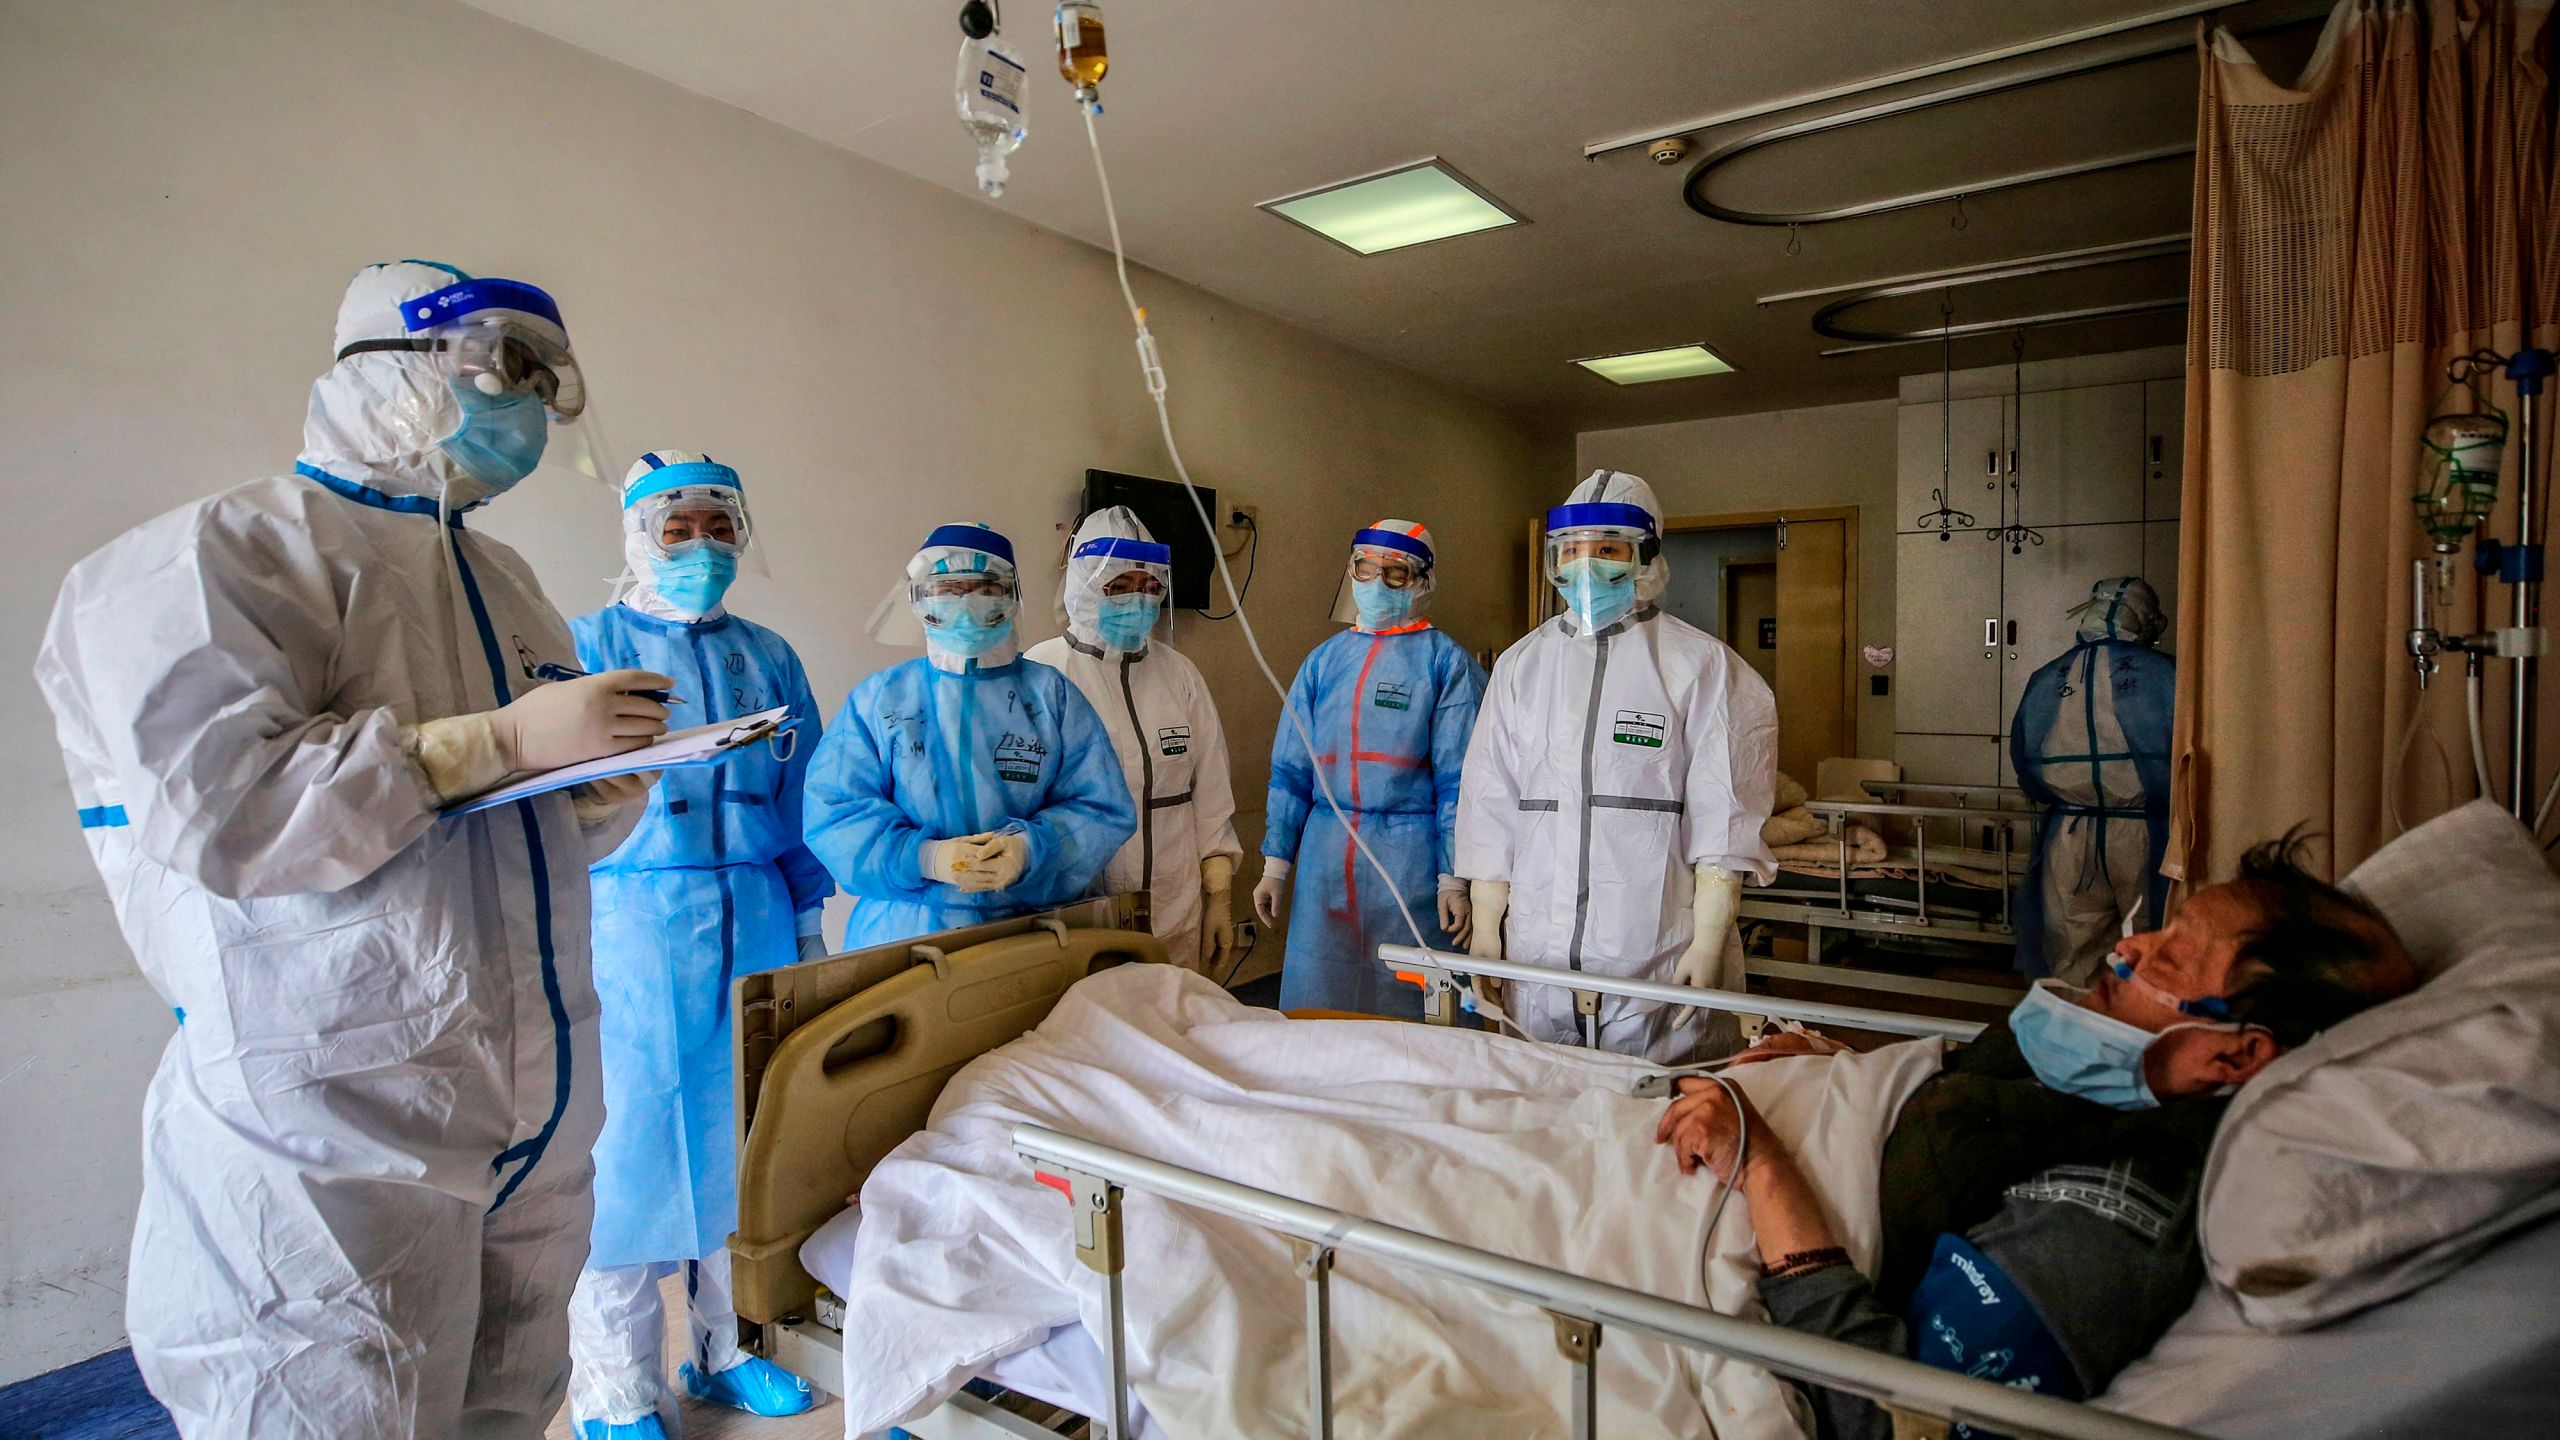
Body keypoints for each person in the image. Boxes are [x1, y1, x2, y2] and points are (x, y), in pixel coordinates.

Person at [35, 260, 667, 1439]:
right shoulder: (217, 556)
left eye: (545, 378)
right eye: (500, 365)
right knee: (334, 1407)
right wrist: (489, 741)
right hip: (329, 1134)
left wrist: (593, 788)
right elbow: (229, 816)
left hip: (529, 1114)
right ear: (385, 370)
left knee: (507, 1405)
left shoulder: (504, 581)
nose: (525, 402)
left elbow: (515, 831)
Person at [1655, 834, 2420, 1438]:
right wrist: (1833, 1065)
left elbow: (1893, 1421)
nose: (2128, 950)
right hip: (1718, 1125)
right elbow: (1964, 1114)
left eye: (2172, 957)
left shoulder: (2111, 1217)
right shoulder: (2092, 1090)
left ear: (2237, 1052)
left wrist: (1762, 1163)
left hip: (1699, 1200)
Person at [564, 453, 831, 1437]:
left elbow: (801, 797)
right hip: (628, 925)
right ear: (637, 536)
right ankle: (614, 1392)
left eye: (721, 527)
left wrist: (805, 921)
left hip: (755, 915)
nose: (704, 548)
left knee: (746, 1149)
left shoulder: (770, 657)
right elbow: (547, 802)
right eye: (679, 530)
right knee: (626, 1160)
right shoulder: (585, 645)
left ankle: (728, 1353)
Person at [1454, 469, 1778, 1062]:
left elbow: (1726, 815)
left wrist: (1707, 941)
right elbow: (1488, 803)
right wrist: (1485, 929)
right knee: (1541, 1101)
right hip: (1537, 948)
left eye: (1607, 551)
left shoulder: (1704, 668)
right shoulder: (1522, 665)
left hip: (1655, 945)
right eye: (1572, 552)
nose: (1586, 567)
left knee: (1657, 1115)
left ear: (1647, 556)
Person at [803, 522, 1135, 948]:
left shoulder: (1051, 697)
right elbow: (833, 811)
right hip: (902, 933)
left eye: (984, 589)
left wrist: (1029, 851)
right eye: (947, 590)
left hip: (1025, 931)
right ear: (919, 600)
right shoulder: (881, 700)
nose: (965, 606)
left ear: (1010, 597)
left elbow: (1102, 807)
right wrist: (925, 857)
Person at [1251, 519, 1485, 1019]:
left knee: (1412, 995)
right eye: (1365, 568)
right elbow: (1291, 770)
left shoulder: (1446, 665)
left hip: (1411, 860)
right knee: (1321, 994)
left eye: (1395, 574)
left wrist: (1454, 878)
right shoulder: (1323, 662)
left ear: (1421, 582)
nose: (1376, 583)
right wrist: (1276, 864)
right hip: (1326, 855)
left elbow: (1460, 783)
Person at [1024, 507, 1243, 973]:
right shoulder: (1043, 673)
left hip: (1174, 904)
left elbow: (1210, 790)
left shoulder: (1178, 673)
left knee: (1176, 1025)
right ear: (1084, 588)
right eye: (1119, 587)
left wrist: (1219, 894)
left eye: (1148, 589)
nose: (1137, 601)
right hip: (1081, 911)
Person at [2011, 576, 2177, 985]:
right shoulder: (2168, 675)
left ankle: (2073, 1037)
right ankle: (2136, 1040)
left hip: (2069, 832)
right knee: (2147, 949)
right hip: (2143, 832)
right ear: (2146, 619)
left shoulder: (2048, 678)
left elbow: (2025, 762)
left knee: (2072, 948)